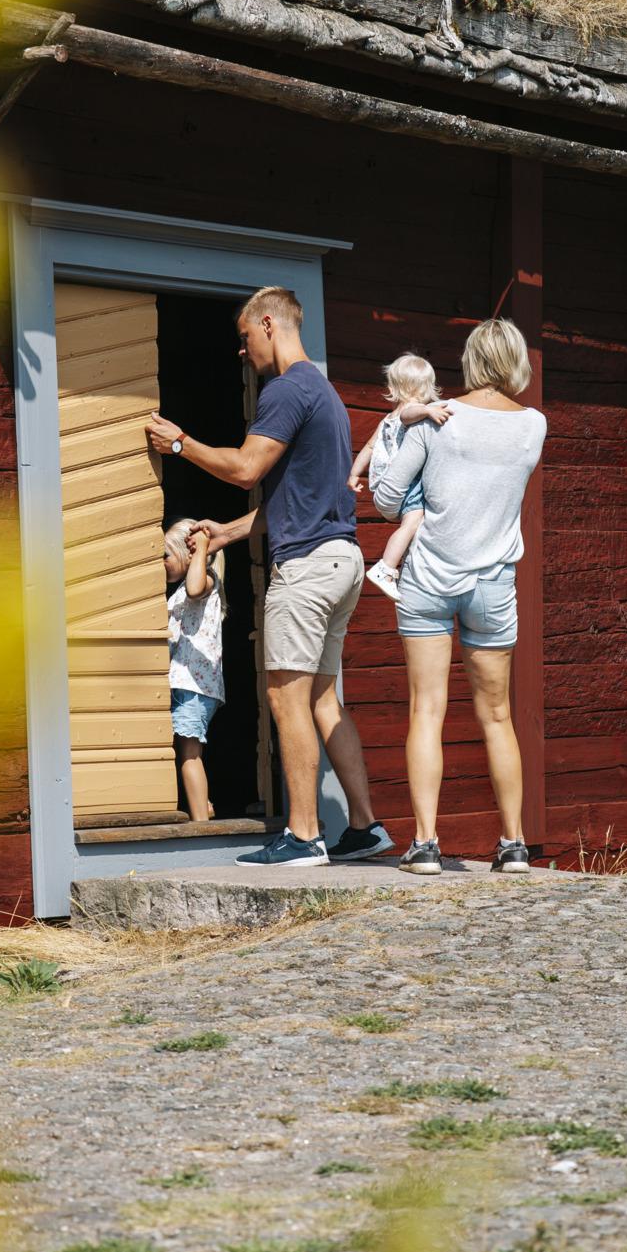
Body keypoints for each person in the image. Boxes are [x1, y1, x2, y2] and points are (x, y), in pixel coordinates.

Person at [145, 285, 392, 868]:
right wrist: (228, 533)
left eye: (242, 338)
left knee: (287, 700)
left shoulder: (285, 389)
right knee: (325, 699)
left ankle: (304, 835)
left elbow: (246, 467)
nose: (240, 351)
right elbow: (296, 496)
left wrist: (179, 443)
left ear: (266, 324)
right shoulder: (325, 394)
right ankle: (364, 827)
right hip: (342, 561)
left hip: (305, 570)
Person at [372, 318, 547, 876]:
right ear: (517, 362)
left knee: (427, 710)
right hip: (493, 583)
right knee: (497, 716)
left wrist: (396, 434)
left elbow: (386, 499)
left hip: (426, 579)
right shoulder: (533, 426)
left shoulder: (435, 420)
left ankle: (424, 845)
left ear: (471, 361)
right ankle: (514, 844)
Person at [348, 353, 451, 602]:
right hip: (401, 486)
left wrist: (353, 473)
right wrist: (427, 410)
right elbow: (409, 413)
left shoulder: (386, 419)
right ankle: (386, 567)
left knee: (411, 523)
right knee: (414, 521)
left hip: (382, 487)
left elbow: (370, 447)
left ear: (393, 387)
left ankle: (398, 562)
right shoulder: (410, 411)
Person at [162, 518, 224, 822]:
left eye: (166, 555)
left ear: (188, 556)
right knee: (186, 750)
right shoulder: (178, 593)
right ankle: (204, 805)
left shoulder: (207, 581)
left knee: (189, 753)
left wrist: (201, 550)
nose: (161, 562)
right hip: (185, 683)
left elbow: (195, 586)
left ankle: (200, 823)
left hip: (196, 685)